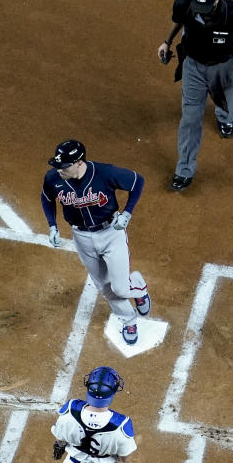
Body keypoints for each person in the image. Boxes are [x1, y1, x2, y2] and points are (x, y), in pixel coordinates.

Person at [41, 139, 150, 344]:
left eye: (64, 166)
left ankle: (138, 287)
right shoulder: (53, 178)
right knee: (105, 286)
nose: (59, 169)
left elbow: (137, 181)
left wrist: (127, 212)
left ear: (79, 163)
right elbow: (46, 198)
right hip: (81, 237)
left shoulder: (105, 173)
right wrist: (52, 225)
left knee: (121, 288)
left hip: (111, 233)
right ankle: (128, 320)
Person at [157, 0, 233, 191]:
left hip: (223, 67)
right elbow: (178, 22)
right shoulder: (184, 4)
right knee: (190, 118)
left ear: (216, 0)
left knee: (228, 108)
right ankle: (184, 169)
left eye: (206, 7)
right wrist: (166, 42)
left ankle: (226, 119)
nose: (201, 12)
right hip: (193, 66)